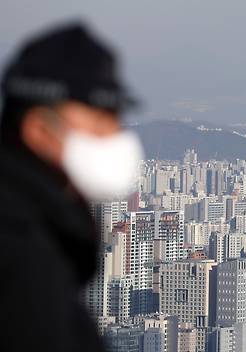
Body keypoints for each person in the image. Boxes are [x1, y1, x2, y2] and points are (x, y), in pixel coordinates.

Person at [0, 22, 142, 351]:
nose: (115, 138)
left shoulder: (38, 230)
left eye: (115, 121)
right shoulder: (20, 258)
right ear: (39, 130)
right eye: (98, 124)